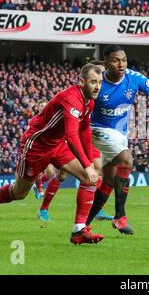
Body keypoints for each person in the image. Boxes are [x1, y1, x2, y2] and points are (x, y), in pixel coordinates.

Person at [0, 63, 105, 245]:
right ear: (81, 81)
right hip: (36, 146)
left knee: (89, 178)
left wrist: (89, 163)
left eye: (100, 82)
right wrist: (86, 164)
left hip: (58, 145)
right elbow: (71, 135)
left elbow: (84, 129)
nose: (97, 86)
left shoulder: (89, 101)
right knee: (20, 193)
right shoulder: (72, 99)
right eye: (93, 82)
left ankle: (79, 230)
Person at [84, 45, 149, 235]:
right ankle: (120, 217)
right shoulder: (97, 83)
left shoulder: (134, 78)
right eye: (115, 60)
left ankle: (83, 225)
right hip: (96, 129)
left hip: (119, 134)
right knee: (127, 160)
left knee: (109, 181)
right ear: (105, 63)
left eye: (123, 59)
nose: (120, 64)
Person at [35, 62, 114, 222]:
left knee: (97, 169)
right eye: (97, 78)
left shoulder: (104, 94)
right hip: (73, 135)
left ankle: (95, 208)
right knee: (62, 174)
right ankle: (44, 208)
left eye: (102, 78)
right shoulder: (79, 95)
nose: (101, 82)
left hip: (90, 136)